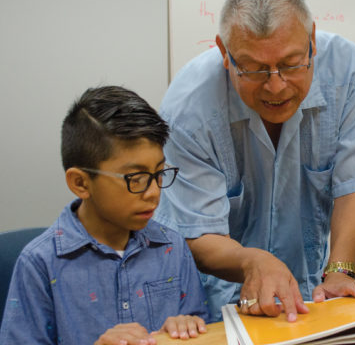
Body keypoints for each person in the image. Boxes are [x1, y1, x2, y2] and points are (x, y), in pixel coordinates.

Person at [155, 0, 355, 322]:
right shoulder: (188, 109)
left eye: (290, 64)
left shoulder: (349, 72)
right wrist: (253, 261)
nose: (276, 86)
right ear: (225, 54)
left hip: (311, 295)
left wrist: (340, 270)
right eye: (254, 69)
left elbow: (354, 186)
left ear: (312, 40)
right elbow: (197, 232)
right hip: (218, 300)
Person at [0, 86, 209, 345]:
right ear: (81, 183)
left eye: (159, 173)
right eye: (137, 178)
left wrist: (188, 326)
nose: (154, 193)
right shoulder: (40, 263)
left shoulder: (172, 247)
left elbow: (199, 323)